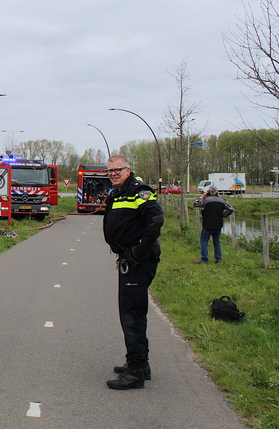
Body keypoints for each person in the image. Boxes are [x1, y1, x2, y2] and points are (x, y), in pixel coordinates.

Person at [103, 154, 164, 390]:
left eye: (118, 170)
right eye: (110, 171)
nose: (113, 174)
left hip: (138, 261)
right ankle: (142, 364)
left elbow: (156, 220)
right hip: (128, 258)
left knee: (131, 315)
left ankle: (135, 371)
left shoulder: (139, 191)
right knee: (132, 313)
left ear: (128, 170)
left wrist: (139, 251)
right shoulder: (118, 193)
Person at [192, 185, 234, 264]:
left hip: (207, 224)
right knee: (216, 242)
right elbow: (231, 209)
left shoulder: (205, 200)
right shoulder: (222, 200)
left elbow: (195, 203)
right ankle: (218, 259)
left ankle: (204, 259)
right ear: (217, 192)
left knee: (204, 242)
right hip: (218, 224)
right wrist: (223, 215)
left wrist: (203, 195)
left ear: (209, 192)